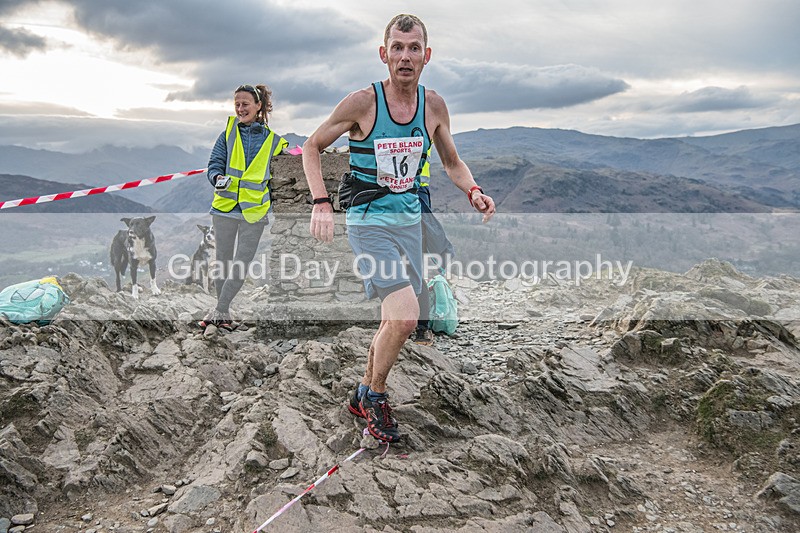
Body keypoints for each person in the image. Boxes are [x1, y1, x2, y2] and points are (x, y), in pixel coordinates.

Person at [303, 14, 495, 443]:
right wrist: (320, 201)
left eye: (413, 49)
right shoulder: (363, 103)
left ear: (426, 56)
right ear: (383, 54)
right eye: (397, 48)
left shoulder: (434, 106)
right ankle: (376, 395)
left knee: (394, 319)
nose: (405, 57)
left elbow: (450, 161)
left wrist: (473, 190)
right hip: (369, 220)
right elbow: (312, 146)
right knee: (408, 317)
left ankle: (361, 394)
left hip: (409, 220)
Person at [199, 84, 288, 330]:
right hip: (225, 208)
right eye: (237, 104)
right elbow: (214, 164)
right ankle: (223, 314)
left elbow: (293, 159)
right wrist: (216, 178)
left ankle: (218, 311)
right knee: (223, 262)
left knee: (241, 262)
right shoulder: (227, 133)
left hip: (254, 212)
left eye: (245, 104)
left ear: (258, 106)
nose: (240, 109)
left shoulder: (273, 141)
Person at [412, 144, 456, 346]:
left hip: (415, 195)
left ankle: (422, 327)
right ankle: (416, 326)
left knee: (415, 267)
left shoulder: (422, 122)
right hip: (399, 199)